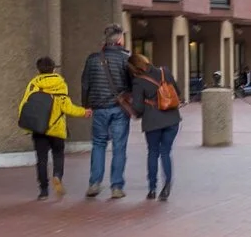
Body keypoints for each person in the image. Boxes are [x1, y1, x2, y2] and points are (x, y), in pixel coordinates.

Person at [16, 56, 87, 199]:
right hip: (57, 128)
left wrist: (28, 125)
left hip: (39, 128)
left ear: (38, 70)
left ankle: (43, 190)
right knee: (58, 155)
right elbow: (68, 107)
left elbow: (24, 106)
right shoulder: (60, 83)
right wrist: (84, 112)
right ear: (54, 69)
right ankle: (57, 176)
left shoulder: (34, 84)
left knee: (41, 159)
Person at [78, 25, 135, 199]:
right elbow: (133, 84)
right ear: (119, 40)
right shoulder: (126, 59)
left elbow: (85, 84)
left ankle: (94, 183)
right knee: (119, 147)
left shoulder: (92, 59)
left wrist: (86, 105)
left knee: (98, 144)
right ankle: (116, 186)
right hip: (119, 108)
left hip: (99, 108)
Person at [129, 51, 183, 200]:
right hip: (172, 119)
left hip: (152, 122)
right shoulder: (164, 71)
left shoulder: (138, 82)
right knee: (166, 152)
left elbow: (138, 108)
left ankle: (152, 189)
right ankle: (167, 186)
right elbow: (177, 92)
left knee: (153, 153)